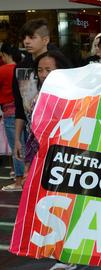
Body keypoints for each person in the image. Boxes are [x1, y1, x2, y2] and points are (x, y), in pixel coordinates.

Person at [4, 19, 51, 192]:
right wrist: (17, 139)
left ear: (45, 40)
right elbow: (19, 107)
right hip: (30, 134)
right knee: (30, 186)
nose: (27, 41)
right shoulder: (20, 69)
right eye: (25, 37)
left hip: (54, 134)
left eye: (32, 37)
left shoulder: (58, 64)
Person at [21, 50, 73, 172]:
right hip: (37, 150)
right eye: (40, 70)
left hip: (60, 153)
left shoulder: (70, 95)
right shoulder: (38, 94)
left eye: (49, 70)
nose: (43, 74)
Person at [0, 43, 21, 191]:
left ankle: (19, 181)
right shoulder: (20, 69)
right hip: (22, 111)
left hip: (9, 110)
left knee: (17, 147)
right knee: (23, 145)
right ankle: (22, 176)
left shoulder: (3, 70)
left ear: (5, 55)